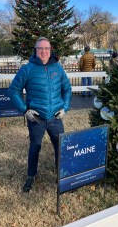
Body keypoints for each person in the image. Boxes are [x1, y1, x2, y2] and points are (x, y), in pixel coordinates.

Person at [8, 37, 72, 192]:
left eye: (46, 48)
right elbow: (13, 90)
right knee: (35, 147)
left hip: (56, 117)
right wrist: (25, 110)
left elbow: (67, 89)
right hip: (36, 118)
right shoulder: (27, 69)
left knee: (60, 147)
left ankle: (61, 175)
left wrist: (65, 107)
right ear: (35, 50)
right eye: (40, 48)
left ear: (51, 51)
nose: (44, 51)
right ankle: (31, 175)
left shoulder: (57, 68)